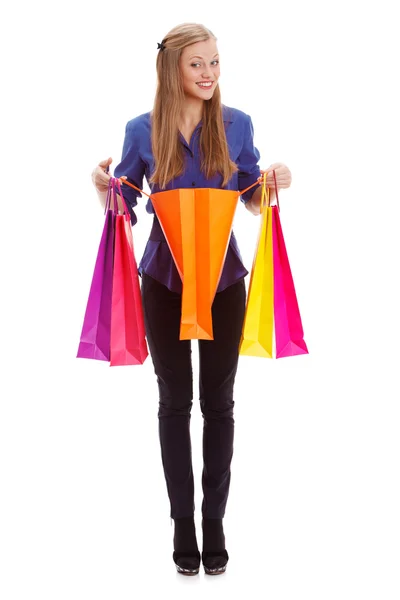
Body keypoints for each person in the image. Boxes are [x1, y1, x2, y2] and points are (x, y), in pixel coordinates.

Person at [92, 22, 292, 576]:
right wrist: (101, 187)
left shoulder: (236, 124)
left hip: (225, 279)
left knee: (220, 402)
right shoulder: (142, 130)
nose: (209, 74)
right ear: (172, 69)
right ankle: (183, 524)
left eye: (215, 62)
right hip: (162, 280)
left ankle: (216, 522)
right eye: (197, 64)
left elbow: (251, 197)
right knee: (174, 401)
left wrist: (275, 181)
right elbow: (125, 203)